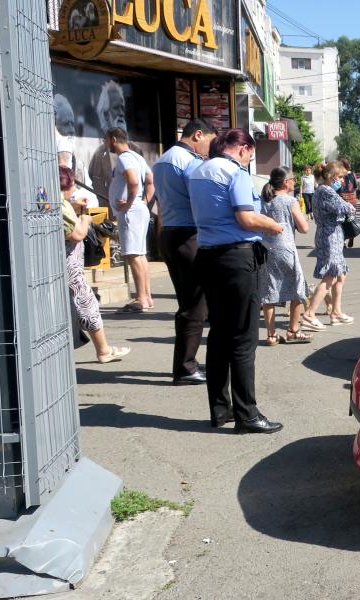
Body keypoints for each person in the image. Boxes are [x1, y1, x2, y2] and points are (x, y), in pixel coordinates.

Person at [188, 128, 285, 434]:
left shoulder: (198, 171)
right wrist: (273, 224)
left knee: (219, 335)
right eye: (250, 155)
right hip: (237, 258)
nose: (249, 160)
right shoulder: (235, 172)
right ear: (243, 148)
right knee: (243, 338)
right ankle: (247, 415)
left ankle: (220, 409)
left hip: (208, 256)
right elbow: (246, 217)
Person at [152, 118, 216, 385]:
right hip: (188, 235)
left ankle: (186, 363)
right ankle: (185, 368)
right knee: (195, 306)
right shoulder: (189, 162)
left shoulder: (162, 160)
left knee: (188, 303)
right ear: (198, 135)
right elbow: (203, 196)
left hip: (169, 232)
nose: (210, 149)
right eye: (210, 142)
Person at [60, 166, 131, 364]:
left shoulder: (59, 203)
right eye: (72, 185)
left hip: (70, 265)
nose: (74, 190)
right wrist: (85, 219)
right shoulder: (59, 205)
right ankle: (103, 350)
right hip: (70, 266)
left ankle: (103, 349)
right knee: (86, 303)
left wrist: (74, 208)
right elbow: (76, 234)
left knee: (84, 303)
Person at [259, 167, 313, 346]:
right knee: (298, 289)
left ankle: (271, 335)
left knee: (269, 291)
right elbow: (304, 228)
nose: (295, 182)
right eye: (293, 179)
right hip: (286, 249)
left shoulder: (264, 200)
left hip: (266, 249)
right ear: (285, 182)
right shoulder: (290, 201)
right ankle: (293, 330)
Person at [106, 127, 155, 313]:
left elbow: (133, 181)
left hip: (131, 212)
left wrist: (129, 203)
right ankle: (147, 297)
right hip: (138, 209)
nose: (106, 144)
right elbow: (150, 180)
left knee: (133, 254)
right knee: (140, 254)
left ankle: (141, 298)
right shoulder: (137, 157)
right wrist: (144, 201)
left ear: (113, 139)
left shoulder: (124, 158)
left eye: (106, 140)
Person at [303, 162, 354, 330]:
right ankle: (309, 314)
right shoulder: (326, 191)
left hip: (333, 235)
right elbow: (345, 207)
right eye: (340, 177)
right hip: (329, 236)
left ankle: (336, 312)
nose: (342, 180)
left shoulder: (324, 190)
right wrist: (350, 207)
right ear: (331, 176)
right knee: (330, 275)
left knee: (340, 274)